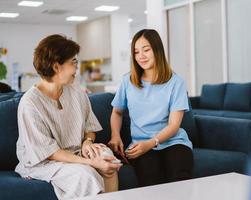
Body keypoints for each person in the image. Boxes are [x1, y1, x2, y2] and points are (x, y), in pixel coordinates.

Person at [15, 34, 122, 199]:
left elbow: (90, 127)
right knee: (85, 175)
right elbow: (49, 152)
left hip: (77, 151)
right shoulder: (30, 103)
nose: (77, 68)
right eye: (73, 62)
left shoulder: (77, 91)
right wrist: (92, 162)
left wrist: (87, 142)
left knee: (109, 160)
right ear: (57, 66)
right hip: (45, 162)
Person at [108, 29, 193, 187]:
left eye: (146, 50)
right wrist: (115, 135)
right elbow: (117, 112)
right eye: (136, 51)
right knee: (151, 181)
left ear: (157, 50)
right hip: (140, 146)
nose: (141, 56)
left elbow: (174, 125)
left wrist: (152, 142)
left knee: (180, 178)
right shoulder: (127, 81)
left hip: (173, 142)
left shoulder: (176, 82)